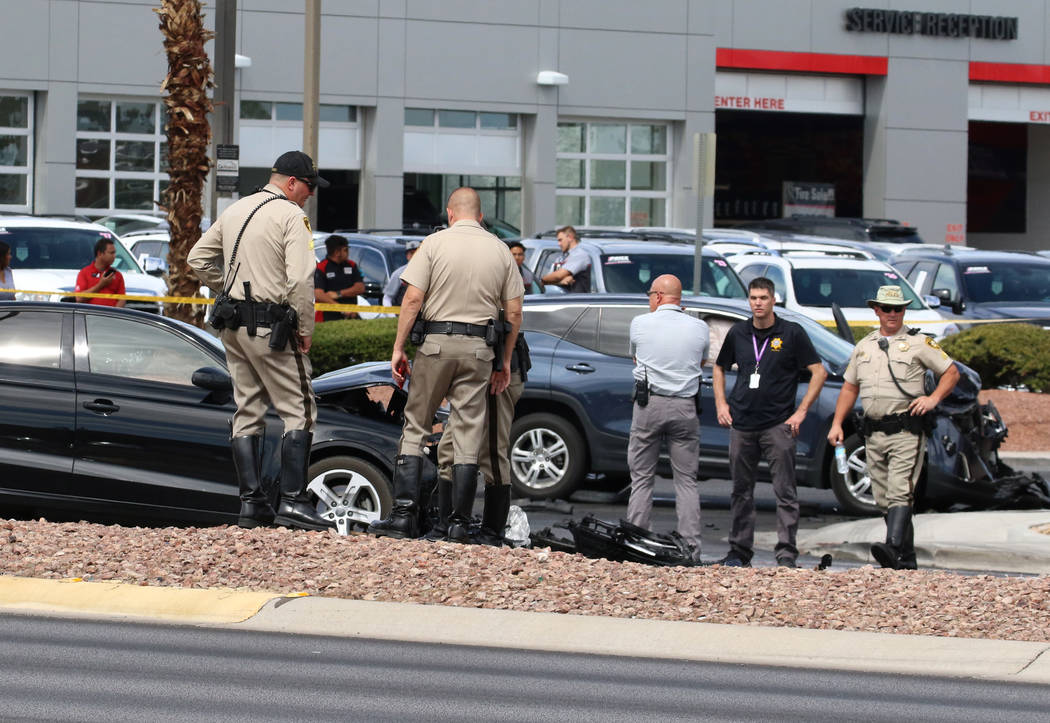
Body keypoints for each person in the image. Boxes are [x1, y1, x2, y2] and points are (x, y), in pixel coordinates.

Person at [368, 187, 524, 541]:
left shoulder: (434, 244)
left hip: (436, 346)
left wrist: (398, 347)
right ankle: (458, 523)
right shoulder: (500, 249)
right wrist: (504, 361)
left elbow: (412, 299)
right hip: (480, 350)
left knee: (416, 425)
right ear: (481, 216)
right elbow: (514, 312)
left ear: (450, 214)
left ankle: (404, 516)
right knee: (468, 432)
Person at [188, 150, 332, 532]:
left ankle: (252, 504)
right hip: (272, 328)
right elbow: (301, 280)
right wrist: (305, 328)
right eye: (309, 186)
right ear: (291, 183)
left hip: (234, 326)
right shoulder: (289, 215)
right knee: (300, 409)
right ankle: (294, 502)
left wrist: (232, 290)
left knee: (247, 408)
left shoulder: (238, 208)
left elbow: (197, 259)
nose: (310, 194)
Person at [828, 285, 959, 570]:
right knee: (882, 495)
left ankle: (892, 547)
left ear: (904, 310)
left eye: (897, 309)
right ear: (876, 310)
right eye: (886, 308)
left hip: (906, 431)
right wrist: (837, 423)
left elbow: (951, 372)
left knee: (901, 490)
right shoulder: (865, 346)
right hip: (873, 433)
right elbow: (850, 387)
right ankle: (906, 559)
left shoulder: (918, 342)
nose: (892, 314)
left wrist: (933, 398)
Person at [712, 277, 827, 568]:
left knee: (784, 491)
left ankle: (786, 553)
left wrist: (800, 412)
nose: (758, 303)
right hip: (742, 422)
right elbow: (718, 367)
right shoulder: (739, 332)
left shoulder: (791, 333)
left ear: (774, 300)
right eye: (753, 298)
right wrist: (721, 403)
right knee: (740, 490)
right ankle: (739, 551)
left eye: (763, 297)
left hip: (778, 423)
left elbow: (819, 372)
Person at [626, 274, 709, 561]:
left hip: (649, 405)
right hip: (685, 406)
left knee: (642, 478)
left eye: (651, 294)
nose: (649, 299)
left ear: (659, 296)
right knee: (686, 480)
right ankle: (691, 548)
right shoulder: (699, 327)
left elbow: (635, 358)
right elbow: (701, 362)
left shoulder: (640, 324)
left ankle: (635, 541)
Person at [428, 325, 529, 545]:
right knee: (448, 449)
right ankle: (447, 526)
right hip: (473, 364)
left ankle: (492, 532)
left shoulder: (500, 289)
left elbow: (513, 315)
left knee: (492, 451)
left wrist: (503, 362)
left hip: (497, 362)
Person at [314, 234, 364, 322]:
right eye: (345, 250)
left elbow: (360, 288)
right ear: (337, 252)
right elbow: (318, 294)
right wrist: (341, 308)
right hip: (328, 317)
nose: (348, 252)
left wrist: (339, 293)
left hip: (351, 315)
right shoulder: (321, 267)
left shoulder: (351, 265)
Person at [75, 237, 126, 307]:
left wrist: (113, 315)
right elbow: (79, 298)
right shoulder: (84, 273)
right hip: (90, 316)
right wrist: (101, 285)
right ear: (99, 254)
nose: (114, 256)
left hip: (111, 316)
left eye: (114, 253)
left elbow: (122, 299)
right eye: (111, 253)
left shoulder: (117, 275)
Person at [541, 225, 591, 293]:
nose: (559, 244)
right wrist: (559, 282)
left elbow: (558, 276)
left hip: (577, 300)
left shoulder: (580, 255)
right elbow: (549, 279)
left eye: (560, 240)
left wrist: (543, 280)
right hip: (559, 300)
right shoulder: (560, 258)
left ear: (570, 237)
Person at [382, 239, 421, 308]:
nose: (414, 255)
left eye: (417, 252)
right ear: (407, 256)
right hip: (403, 313)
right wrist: (392, 316)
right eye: (411, 253)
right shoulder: (399, 274)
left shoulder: (430, 272)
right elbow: (387, 298)